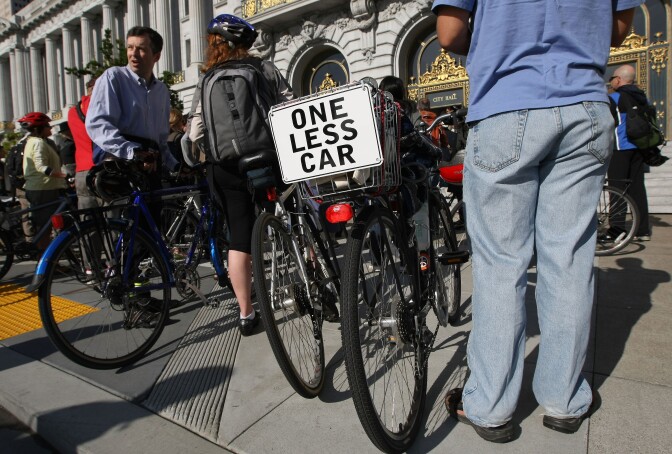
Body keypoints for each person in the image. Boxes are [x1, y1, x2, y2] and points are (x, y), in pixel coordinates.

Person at [433, 0, 641, 443]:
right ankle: (565, 400)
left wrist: (500, 38)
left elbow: (449, 32)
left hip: (507, 103)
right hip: (584, 105)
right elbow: (620, 28)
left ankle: (490, 405)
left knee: (501, 265)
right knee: (568, 261)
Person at [190, 14, 293, 335]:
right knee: (289, 213)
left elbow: (195, 131)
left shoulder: (205, 80)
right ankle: (309, 277)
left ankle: (247, 314)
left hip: (225, 167)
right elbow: (290, 107)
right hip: (267, 159)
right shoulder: (264, 68)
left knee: (239, 237)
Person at [86, 25, 179, 203]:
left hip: (150, 167)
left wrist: (175, 164)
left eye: (141, 49)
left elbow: (160, 139)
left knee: (151, 225)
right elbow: (98, 124)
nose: (133, 54)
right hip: (121, 168)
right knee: (126, 225)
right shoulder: (114, 77)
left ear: (156, 56)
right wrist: (133, 151)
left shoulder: (161, 90)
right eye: (130, 47)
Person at [608, 64, 652, 241]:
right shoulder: (643, 98)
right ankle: (642, 231)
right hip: (639, 148)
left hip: (620, 148)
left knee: (616, 189)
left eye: (612, 79)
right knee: (637, 189)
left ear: (618, 79)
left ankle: (617, 230)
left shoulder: (614, 98)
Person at [19, 112, 67, 252]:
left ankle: (46, 257)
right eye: (47, 126)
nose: (50, 129)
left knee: (45, 225)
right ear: (39, 128)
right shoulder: (38, 143)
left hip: (41, 187)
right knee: (45, 227)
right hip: (43, 188)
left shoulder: (32, 141)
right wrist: (63, 176)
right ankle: (45, 259)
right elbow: (41, 167)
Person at [69, 77, 100, 212]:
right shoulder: (100, 106)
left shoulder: (72, 112)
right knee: (112, 219)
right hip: (101, 169)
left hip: (81, 171)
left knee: (88, 220)